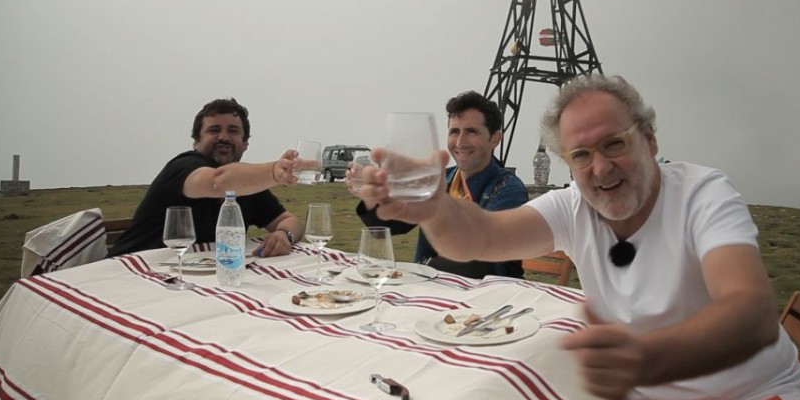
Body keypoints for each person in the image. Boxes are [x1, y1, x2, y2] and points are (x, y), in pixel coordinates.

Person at [355, 75, 800, 400]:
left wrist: (644, 361)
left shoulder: (702, 194)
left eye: (613, 144)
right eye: (580, 155)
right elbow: (479, 237)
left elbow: (750, 311)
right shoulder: (574, 206)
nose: (599, 168)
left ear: (650, 140)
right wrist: (434, 206)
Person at [350, 90, 528, 279]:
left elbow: (481, 259)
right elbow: (388, 226)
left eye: (471, 132)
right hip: (435, 290)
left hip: (492, 296)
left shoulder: (509, 189)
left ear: (495, 139)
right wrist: (373, 197)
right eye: (454, 131)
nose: (460, 142)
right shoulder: (442, 179)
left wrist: (425, 265)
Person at [109, 98, 303, 259]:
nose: (224, 137)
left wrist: (283, 234)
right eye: (214, 130)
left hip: (195, 280)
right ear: (196, 141)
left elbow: (289, 220)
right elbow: (219, 182)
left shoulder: (246, 184)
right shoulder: (182, 168)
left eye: (233, 131)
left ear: (245, 144)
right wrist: (274, 171)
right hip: (130, 274)